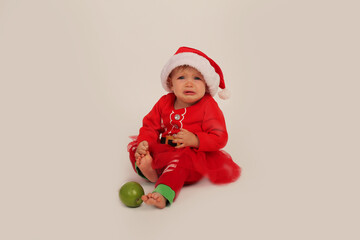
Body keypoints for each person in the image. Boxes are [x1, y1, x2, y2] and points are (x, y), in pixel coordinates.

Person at [127, 46, 241, 208]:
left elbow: (220, 136)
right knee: (136, 150)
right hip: (165, 150)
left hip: (193, 156)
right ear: (170, 83)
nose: (189, 83)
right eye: (181, 77)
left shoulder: (208, 105)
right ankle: (150, 171)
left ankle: (164, 192)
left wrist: (195, 139)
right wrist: (144, 143)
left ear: (207, 85)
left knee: (181, 160)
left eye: (197, 78)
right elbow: (150, 127)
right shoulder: (164, 102)